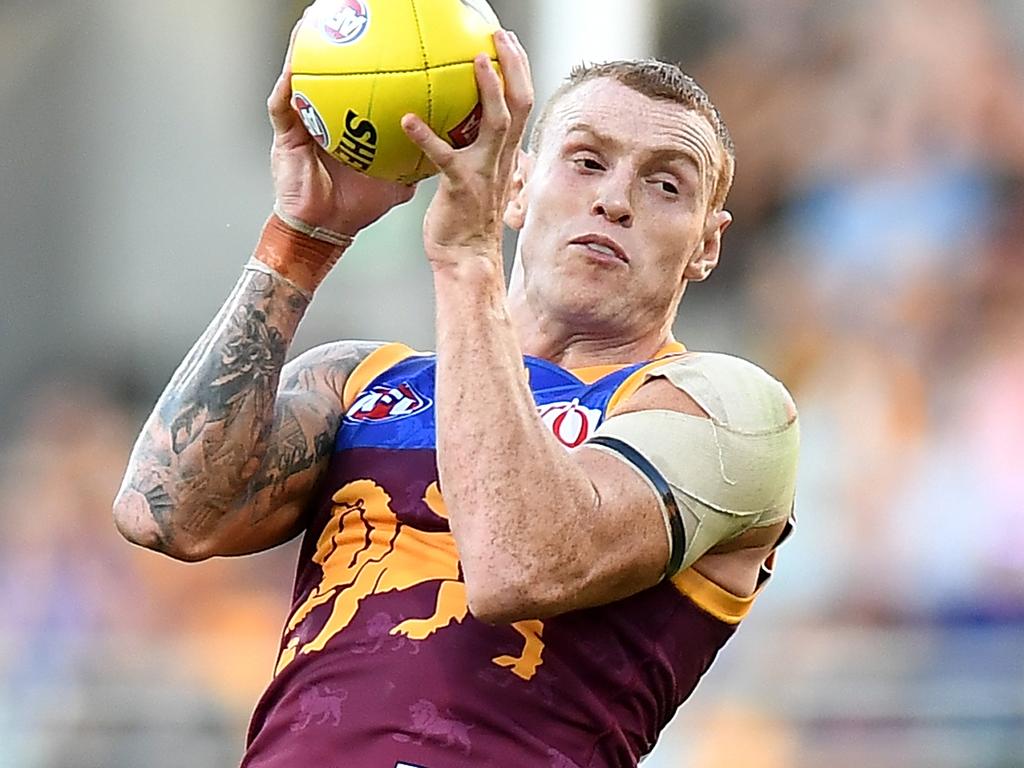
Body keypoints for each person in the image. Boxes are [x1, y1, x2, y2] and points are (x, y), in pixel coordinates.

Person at [113, 16, 799, 768]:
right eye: (585, 161)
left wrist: (467, 260)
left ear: (706, 243)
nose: (615, 201)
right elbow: (164, 513)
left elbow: (518, 567)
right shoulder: (364, 380)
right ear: (516, 187)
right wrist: (300, 238)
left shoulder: (726, 410)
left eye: (666, 184)